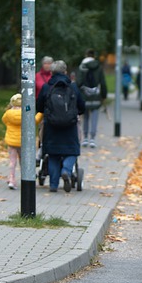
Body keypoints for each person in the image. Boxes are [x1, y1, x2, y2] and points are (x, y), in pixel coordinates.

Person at [36, 60, 85, 193]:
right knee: (72, 151)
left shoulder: (47, 87)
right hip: (70, 127)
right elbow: (82, 107)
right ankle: (66, 171)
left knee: (53, 155)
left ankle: (53, 185)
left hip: (51, 127)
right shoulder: (73, 87)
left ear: (51, 72)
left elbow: (39, 107)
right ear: (65, 72)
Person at [2, 93, 43, 190]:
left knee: (12, 161)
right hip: (23, 142)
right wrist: (41, 113)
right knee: (23, 161)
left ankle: (11, 179)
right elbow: (34, 121)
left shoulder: (8, 113)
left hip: (11, 142)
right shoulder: (26, 112)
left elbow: (4, 120)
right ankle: (25, 179)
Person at [78, 49, 108, 148]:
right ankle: (93, 138)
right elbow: (102, 82)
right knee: (95, 115)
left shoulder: (82, 66)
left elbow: (79, 82)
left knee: (85, 116)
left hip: (85, 95)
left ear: (86, 55)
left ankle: (85, 137)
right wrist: (104, 95)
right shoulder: (99, 67)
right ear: (94, 56)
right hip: (96, 95)